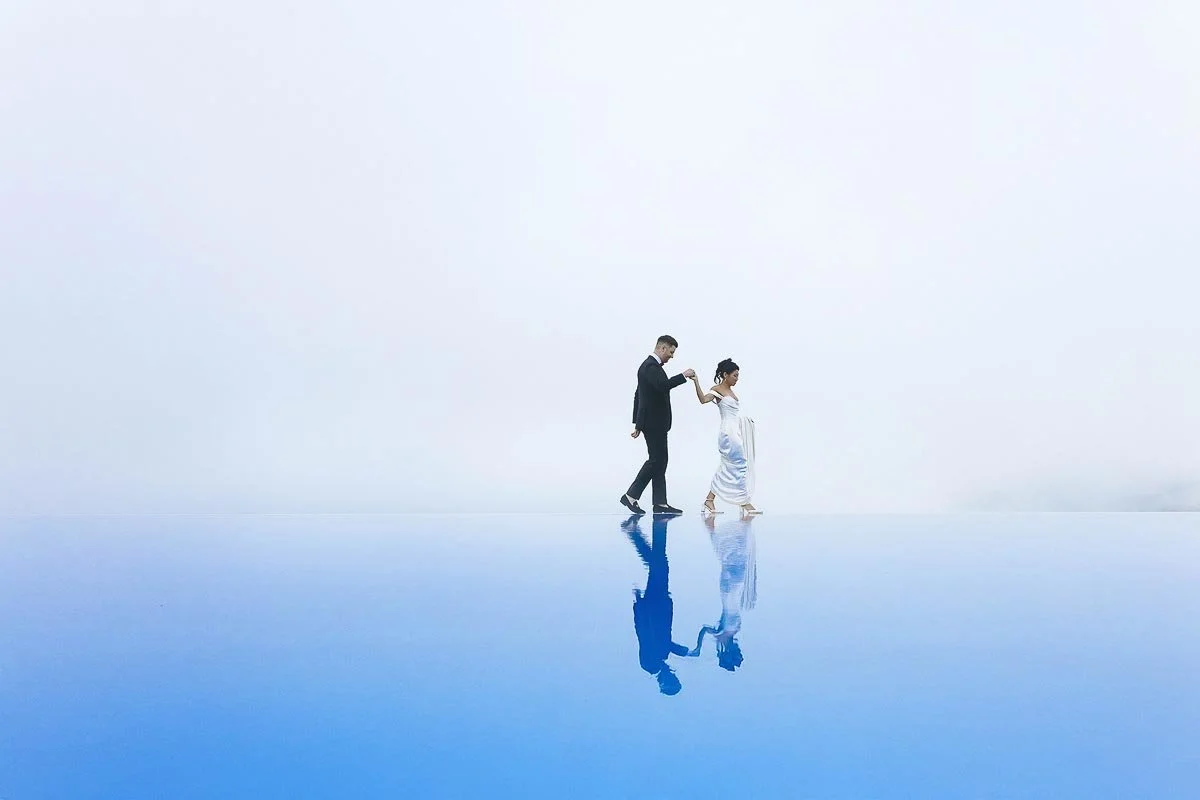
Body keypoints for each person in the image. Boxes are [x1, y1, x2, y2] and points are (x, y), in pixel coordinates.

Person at [621, 335, 695, 515]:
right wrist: (683, 376)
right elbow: (663, 386)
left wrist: (638, 424)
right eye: (671, 352)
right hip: (654, 423)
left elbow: (639, 395)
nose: (672, 356)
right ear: (662, 348)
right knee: (656, 461)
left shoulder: (649, 367)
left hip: (653, 423)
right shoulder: (650, 367)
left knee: (660, 461)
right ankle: (631, 495)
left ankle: (660, 503)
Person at [622, 514, 689, 695]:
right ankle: (640, 531)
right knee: (659, 563)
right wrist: (687, 652)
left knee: (660, 564)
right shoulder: (661, 659)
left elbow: (643, 632)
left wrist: (639, 606)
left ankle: (640, 531)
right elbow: (667, 644)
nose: (673, 676)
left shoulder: (649, 664)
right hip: (660, 606)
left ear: (664, 683)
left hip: (653, 607)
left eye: (672, 680)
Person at [689, 358, 761, 515]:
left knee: (731, 465)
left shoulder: (731, 391)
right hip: (728, 433)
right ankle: (744, 502)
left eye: (738, 375)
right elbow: (703, 400)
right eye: (735, 375)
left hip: (735, 430)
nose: (737, 379)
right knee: (739, 464)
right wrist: (696, 381)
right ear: (725, 375)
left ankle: (710, 500)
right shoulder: (717, 390)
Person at [688, 513, 757, 672]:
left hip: (733, 585)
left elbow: (706, 628)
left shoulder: (734, 629)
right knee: (726, 551)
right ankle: (724, 523)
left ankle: (740, 522)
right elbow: (704, 629)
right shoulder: (723, 633)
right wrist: (698, 647)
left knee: (731, 552)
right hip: (729, 586)